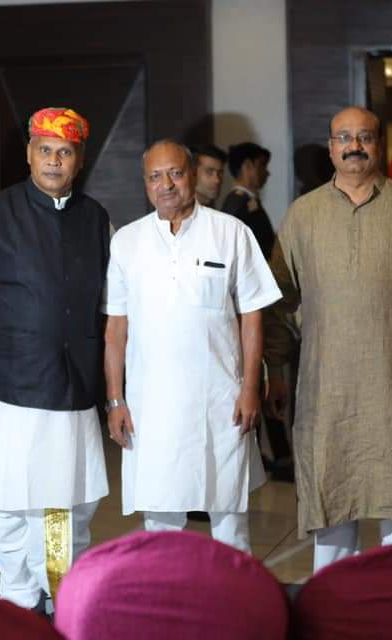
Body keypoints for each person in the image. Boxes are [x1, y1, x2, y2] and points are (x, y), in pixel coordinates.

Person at [0, 107, 110, 611]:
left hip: (73, 389)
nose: (54, 160)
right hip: (9, 389)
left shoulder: (97, 219)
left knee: (64, 507)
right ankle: (16, 601)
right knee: (8, 504)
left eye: (64, 152)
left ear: (79, 160)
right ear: (28, 154)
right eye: (45, 150)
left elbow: (113, 309)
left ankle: (63, 602)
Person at [269, 107, 392, 572]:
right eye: (344, 137)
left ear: (379, 144)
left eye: (364, 136)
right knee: (332, 501)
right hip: (327, 389)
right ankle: (332, 602)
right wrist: (275, 370)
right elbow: (278, 300)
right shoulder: (303, 215)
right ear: (330, 148)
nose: (354, 146)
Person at [103, 140, 281, 552]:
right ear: (145, 183)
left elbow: (252, 317)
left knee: (229, 518)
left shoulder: (230, 232)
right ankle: (167, 592)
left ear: (193, 175)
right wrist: (115, 400)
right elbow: (115, 328)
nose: (166, 184)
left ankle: (234, 592)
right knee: (160, 523)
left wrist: (250, 387)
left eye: (175, 173)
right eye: (155, 176)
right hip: (151, 408)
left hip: (220, 402)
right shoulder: (127, 241)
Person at [221, 142, 274, 260]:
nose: (267, 173)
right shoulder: (238, 203)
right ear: (248, 166)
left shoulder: (245, 200)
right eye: (262, 165)